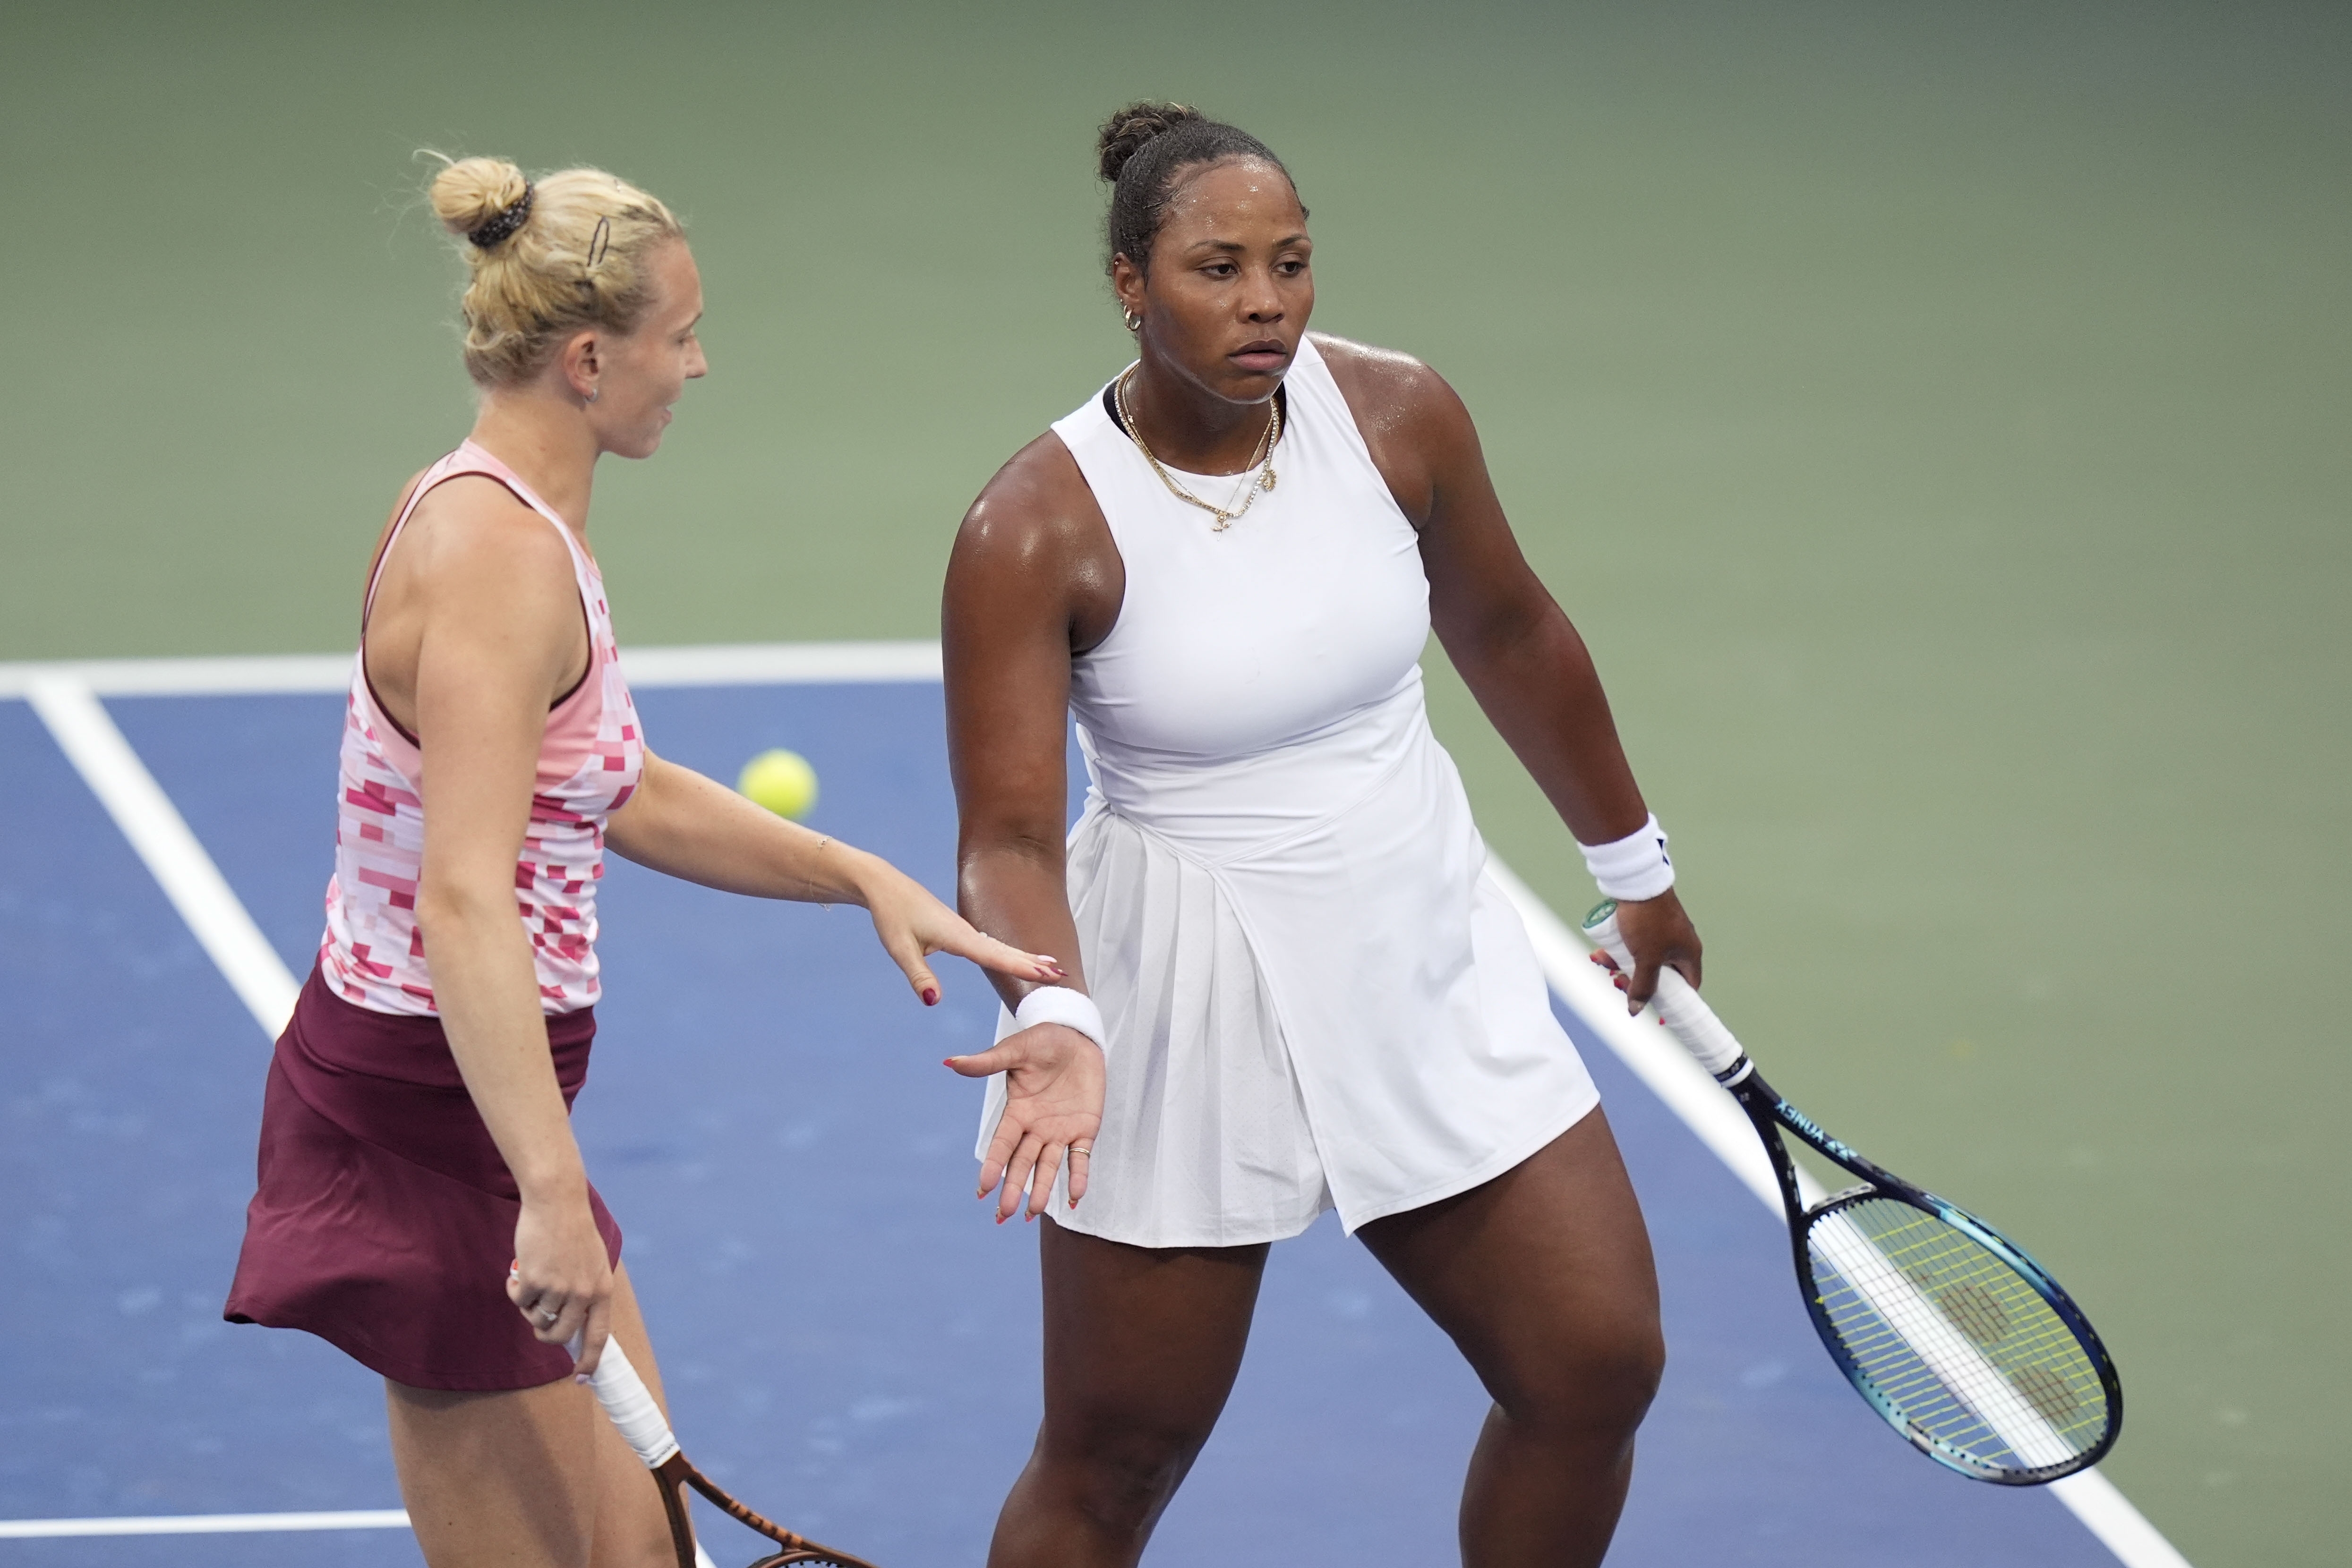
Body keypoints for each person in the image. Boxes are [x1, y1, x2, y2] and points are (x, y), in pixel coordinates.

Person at [222, 155, 1061, 1568]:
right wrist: (550, 1197)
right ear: (593, 357)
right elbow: (462, 895)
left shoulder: (510, 513)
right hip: (437, 1113)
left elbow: (614, 786)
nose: (698, 364)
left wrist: (858, 873)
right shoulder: (498, 560)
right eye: (680, 337)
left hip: (481, 1093)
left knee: (644, 1559)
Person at [940, 104, 1705, 1567]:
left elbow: (1509, 628)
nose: (1264, 304)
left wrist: (1635, 870)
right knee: (1114, 1461)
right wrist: (1049, 1003)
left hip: (1410, 931)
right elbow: (1012, 837)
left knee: (1594, 1367)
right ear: (1127, 282)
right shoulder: (1033, 529)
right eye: (1216, 269)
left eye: (1289, 265)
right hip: (1179, 982)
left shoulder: (1397, 415)